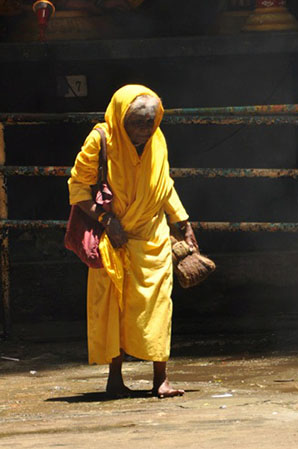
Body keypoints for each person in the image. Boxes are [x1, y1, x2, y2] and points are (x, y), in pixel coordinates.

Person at [68, 84, 197, 398]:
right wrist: (106, 220)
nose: (144, 130)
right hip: (115, 239)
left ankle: (161, 379)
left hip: (153, 236)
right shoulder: (101, 139)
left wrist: (181, 221)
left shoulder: (158, 140)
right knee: (115, 310)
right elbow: (78, 188)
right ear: (119, 118)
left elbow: (163, 184)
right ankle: (115, 379)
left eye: (150, 122)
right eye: (137, 122)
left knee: (159, 307)